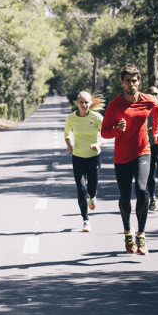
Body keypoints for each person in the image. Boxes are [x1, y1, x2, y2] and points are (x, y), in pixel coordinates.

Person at [101, 64, 158, 255]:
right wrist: (117, 130)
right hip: (122, 157)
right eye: (127, 81)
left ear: (139, 81)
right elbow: (104, 132)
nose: (131, 85)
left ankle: (141, 235)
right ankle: (128, 231)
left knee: (142, 191)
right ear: (122, 82)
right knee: (125, 196)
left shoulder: (147, 100)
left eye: (134, 81)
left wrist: (156, 131)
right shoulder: (115, 105)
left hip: (143, 151)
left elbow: (156, 107)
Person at [64, 91, 105, 232]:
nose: (84, 105)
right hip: (78, 157)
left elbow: (105, 135)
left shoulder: (97, 117)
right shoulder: (71, 118)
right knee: (81, 188)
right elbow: (67, 134)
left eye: (86, 102)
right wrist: (69, 145)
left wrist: (98, 145)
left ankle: (92, 196)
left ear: (90, 103)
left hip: (94, 156)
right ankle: (85, 220)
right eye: (81, 102)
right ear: (77, 103)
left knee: (92, 188)